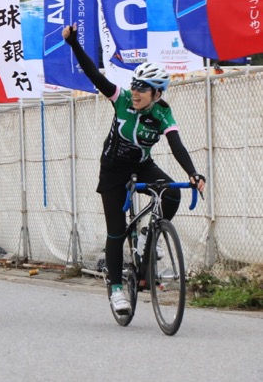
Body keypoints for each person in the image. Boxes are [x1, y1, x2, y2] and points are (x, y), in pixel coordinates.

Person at [62, 23, 205, 314]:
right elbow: (94, 74)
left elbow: (176, 144)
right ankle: (116, 290)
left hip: (142, 166)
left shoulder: (162, 113)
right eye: (135, 84)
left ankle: (147, 239)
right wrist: (74, 44)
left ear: (157, 94)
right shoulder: (122, 99)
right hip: (113, 170)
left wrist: (193, 173)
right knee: (115, 231)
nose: (136, 91)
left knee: (172, 193)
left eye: (144, 88)